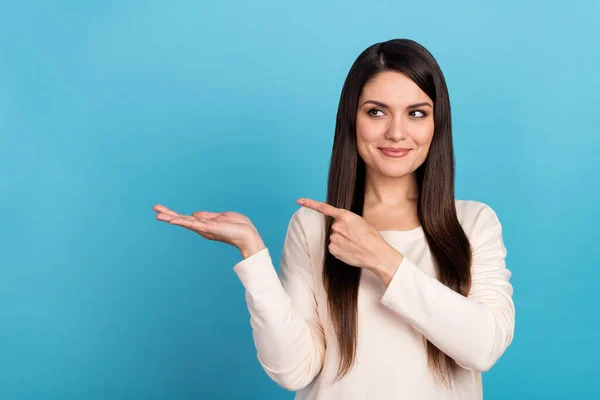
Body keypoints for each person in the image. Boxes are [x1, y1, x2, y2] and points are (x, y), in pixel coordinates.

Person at [153, 38, 515, 400]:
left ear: (437, 123)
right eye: (377, 112)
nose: (397, 132)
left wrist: (381, 257)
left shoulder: (473, 223)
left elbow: (483, 348)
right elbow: (293, 369)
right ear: (351, 119)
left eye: (416, 113)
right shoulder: (312, 226)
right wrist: (253, 253)